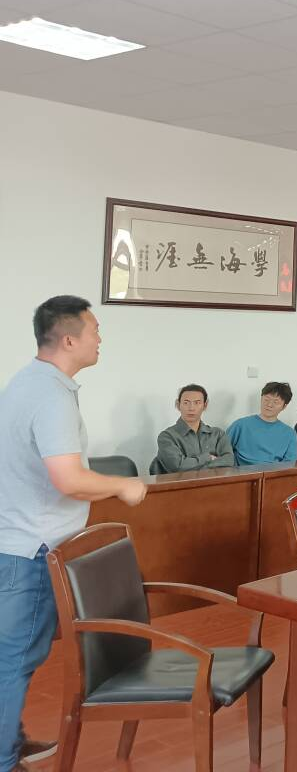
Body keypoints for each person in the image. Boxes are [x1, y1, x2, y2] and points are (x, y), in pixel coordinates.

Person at [0, 296, 148, 772]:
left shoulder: (30, 382)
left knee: (14, 655)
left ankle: (9, 739)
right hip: (31, 548)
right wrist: (123, 486)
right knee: (15, 658)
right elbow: (68, 479)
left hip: (18, 540)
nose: (100, 338)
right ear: (68, 339)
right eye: (94, 329)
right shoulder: (50, 394)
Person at [155, 383, 234, 472]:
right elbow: (178, 467)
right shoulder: (167, 436)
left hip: (216, 481)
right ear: (178, 405)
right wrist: (207, 458)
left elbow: (229, 461)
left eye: (197, 403)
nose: (191, 408)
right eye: (186, 403)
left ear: (205, 405)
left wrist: (192, 466)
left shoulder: (218, 434)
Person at [228, 382, 297, 465]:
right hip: (241, 471)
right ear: (261, 399)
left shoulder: (289, 433)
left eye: (276, 402)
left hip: (273, 472)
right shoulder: (240, 425)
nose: (269, 405)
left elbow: (290, 464)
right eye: (266, 399)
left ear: (284, 406)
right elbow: (223, 452)